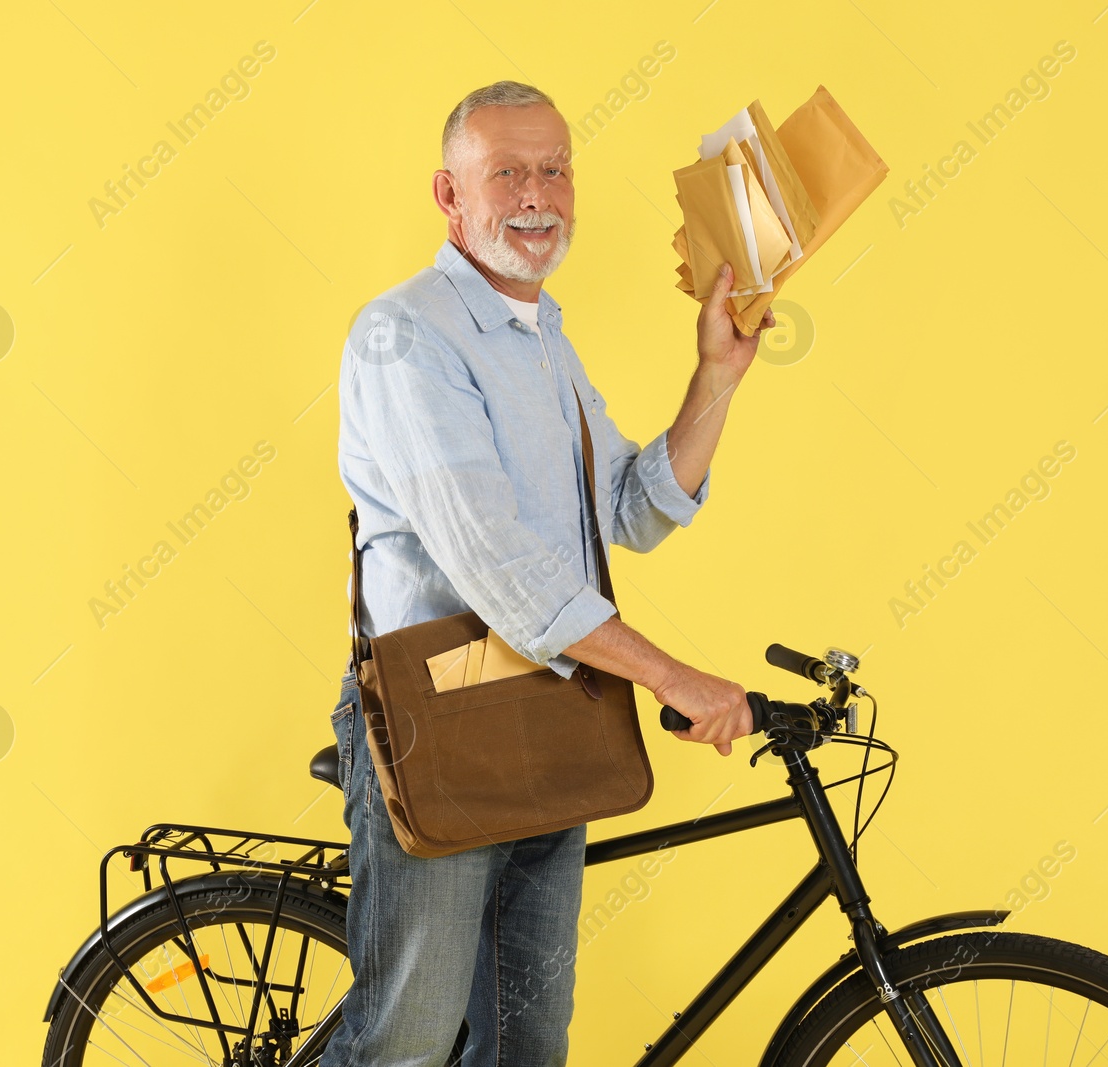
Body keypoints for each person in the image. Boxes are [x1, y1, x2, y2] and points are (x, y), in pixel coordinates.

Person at [326, 79, 773, 1066]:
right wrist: (668, 672)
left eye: (556, 168)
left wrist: (716, 377)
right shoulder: (407, 336)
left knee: (528, 1043)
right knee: (404, 1045)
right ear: (449, 195)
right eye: (508, 172)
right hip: (436, 723)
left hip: (545, 712)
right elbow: (504, 571)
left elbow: (630, 507)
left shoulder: (543, 339)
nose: (539, 194)